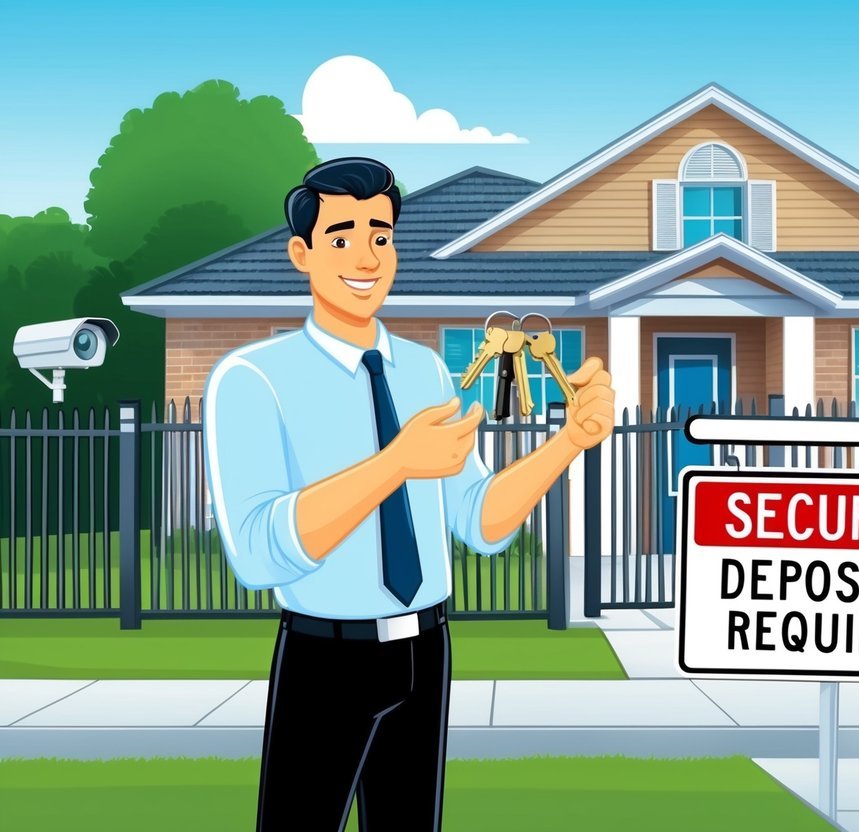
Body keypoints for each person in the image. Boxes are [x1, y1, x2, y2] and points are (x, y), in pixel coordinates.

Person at [201, 157, 615, 832]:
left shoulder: (425, 372)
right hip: (324, 659)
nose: (365, 256)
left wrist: (569, 441)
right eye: (340, 237)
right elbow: (258, 553)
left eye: (380, 235)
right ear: (301, 254)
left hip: (425, 648)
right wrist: (393, 465)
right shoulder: (251, 379)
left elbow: (480, 523)